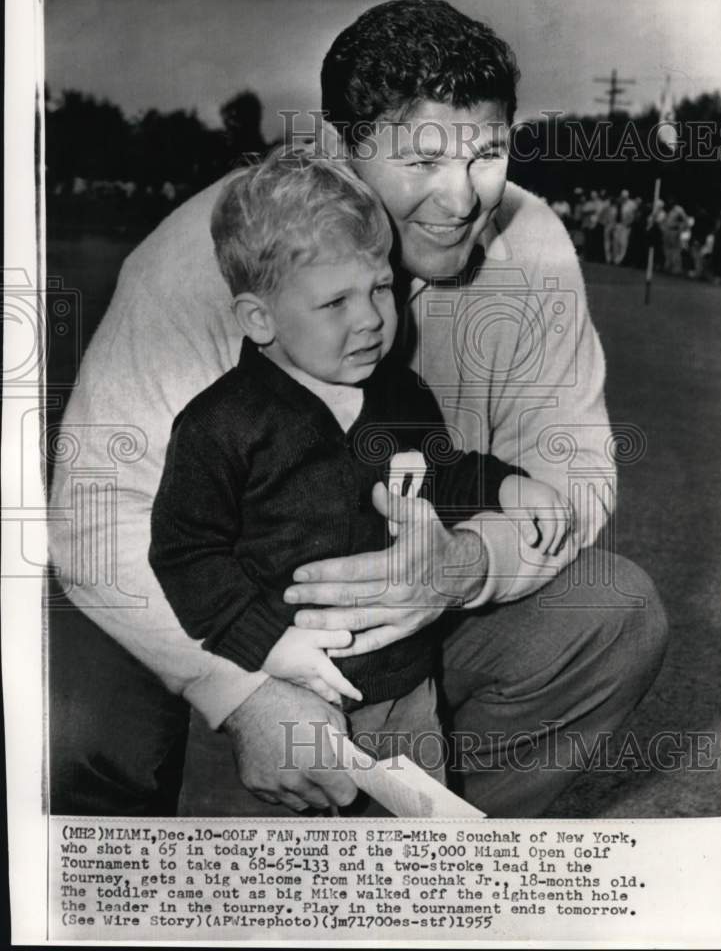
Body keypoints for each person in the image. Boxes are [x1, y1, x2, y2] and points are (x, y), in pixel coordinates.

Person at [48, 0, 667, 818]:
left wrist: (467, 565)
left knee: (613, 615)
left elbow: (573, 469)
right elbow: (94, 513)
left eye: (485, 153)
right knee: (74, 718)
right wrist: (241, 690)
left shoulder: (533, 242)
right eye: (419, 162)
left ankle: (420, 865)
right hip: (201, 583)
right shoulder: (205, 258)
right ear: (339, 149)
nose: (461, 198)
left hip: (403, 601)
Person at [148, 149, 570, 811]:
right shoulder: (220, 424)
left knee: (420, 861)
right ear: (259, 319)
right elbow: (184, 553)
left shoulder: (400, 394)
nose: (370, 318)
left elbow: (444, 473)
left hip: (405, 687)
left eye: (379, 288)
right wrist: (267, 646)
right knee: (273, 889)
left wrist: (504, 485)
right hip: (283, 695)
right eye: (335, 301)